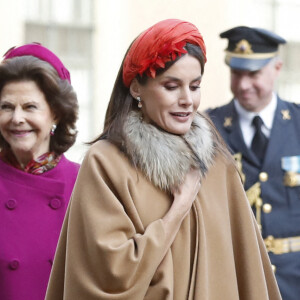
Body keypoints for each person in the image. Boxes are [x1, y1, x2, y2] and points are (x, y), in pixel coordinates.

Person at [45, 19, 281, 300]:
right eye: (171, 86)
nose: (187, 100)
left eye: (194, 86)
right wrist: (178, 209)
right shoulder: (105, 163)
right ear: (136, 89)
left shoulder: (218, 163)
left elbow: (248, 273)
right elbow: (110, 275)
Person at [207, 26, 300, 300]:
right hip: (234, 281)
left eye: (254, 74)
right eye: (237, 74)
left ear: (277, 68)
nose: (244, 85)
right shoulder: (208, 129)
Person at [0, 43, 80, 300]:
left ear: (55, 113)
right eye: (6, 107)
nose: (16, 118)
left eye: (30, 107)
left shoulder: (85, 183)